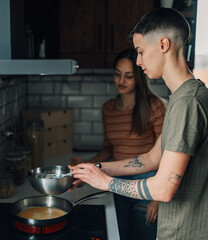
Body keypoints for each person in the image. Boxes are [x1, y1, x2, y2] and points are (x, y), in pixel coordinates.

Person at [69, 7, 208, 240]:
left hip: (190, 233)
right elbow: (151, 159)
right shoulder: (181, 98)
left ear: (163, 45)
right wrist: (94, 170)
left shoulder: (188, 103)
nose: (138, 61)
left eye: (141, 51)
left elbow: (164, 189)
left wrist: (105, 182)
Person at [70, 48, 166, 240]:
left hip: (146, 184)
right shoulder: (109, 108)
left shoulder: (155, 106)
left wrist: (157, 199)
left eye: (128, 76)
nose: (121, 81)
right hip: (116, 182)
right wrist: (88, 165)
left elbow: (164, 156)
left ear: (138, 78)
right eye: (117, 74)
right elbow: (108, 149)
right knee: (118, 234)